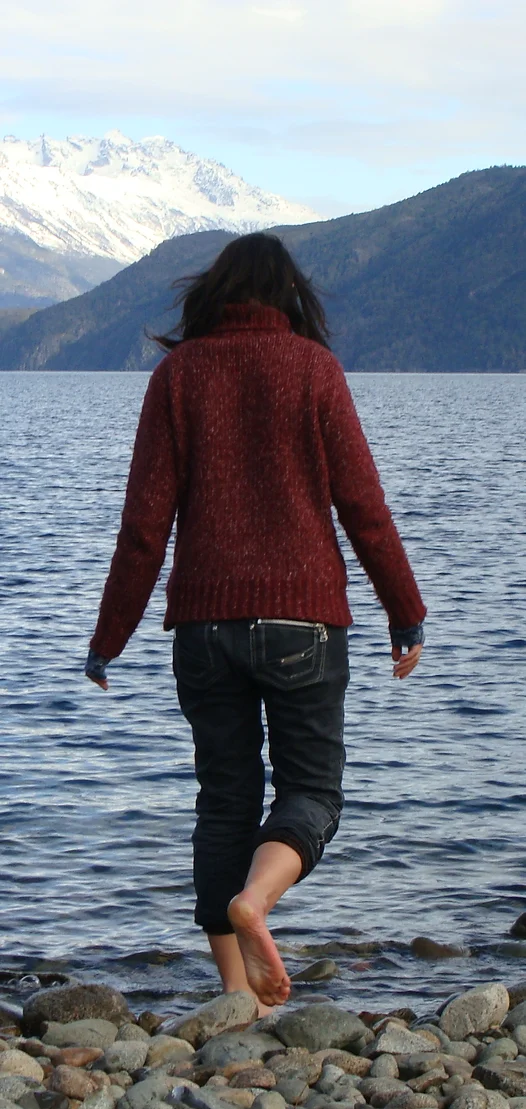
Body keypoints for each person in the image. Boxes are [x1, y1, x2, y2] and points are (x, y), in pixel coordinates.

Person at [85, 231, 426, 1014]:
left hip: (204, 627)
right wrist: (404, 613)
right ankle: (257, 906)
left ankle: (238, 996)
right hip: (305, 622)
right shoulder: (315, 370)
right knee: (312, 788)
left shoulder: (177, 375)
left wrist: (109, 638)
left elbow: (144, 528)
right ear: (290, 297)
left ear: (215, 294)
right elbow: (364, 509)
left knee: (224, 800)